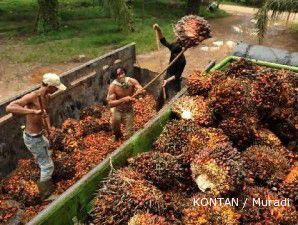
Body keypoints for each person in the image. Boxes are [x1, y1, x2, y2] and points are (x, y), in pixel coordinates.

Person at [6, 73, 66, 200]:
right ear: (49, 86)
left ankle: (44, 166)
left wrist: (49, 127)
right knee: (48, 166)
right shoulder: (33, 96)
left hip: (40, 135)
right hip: (32, 138)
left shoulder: (47, 97)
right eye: (55, 87)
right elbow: (10, 107)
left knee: (48, 148)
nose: (56, 90)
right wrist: (32, 111)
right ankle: (46, 194)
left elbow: (46, 113)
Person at [153, 23, 187, 110]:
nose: (173, 55)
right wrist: (159, 29)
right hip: (168, 74)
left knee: (175, 99)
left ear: (179, 52)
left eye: (175, 54)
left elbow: (177, 75)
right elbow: (163, 41)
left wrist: (168, 80)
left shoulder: (182, 60)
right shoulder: (173, 47)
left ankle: (174, 111)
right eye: (173, 53)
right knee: (162, 95)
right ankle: (158, 110)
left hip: (175, 80)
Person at [107, 67, 145, 141]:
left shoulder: (131, 81)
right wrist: (122, 100)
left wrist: (140, 91)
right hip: (118, 110)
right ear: (115, 76)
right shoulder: (113, 86)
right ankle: (117, 135)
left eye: (122, 73)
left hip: (128, 110)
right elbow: (110, 103)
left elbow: (142, 90)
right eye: (118, 75)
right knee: (115, 126)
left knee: (129, 134)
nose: (121, 76)